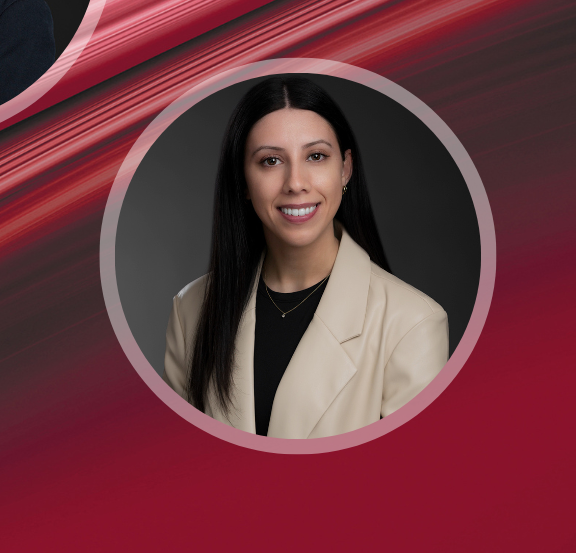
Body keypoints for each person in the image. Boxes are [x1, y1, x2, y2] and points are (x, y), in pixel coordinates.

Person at [163, 75, 448, 440]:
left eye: (316, 156)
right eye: (270, 161)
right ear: (242, 181)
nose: (295, 182)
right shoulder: (190, 311)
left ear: (344, 169)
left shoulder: (413, 323)